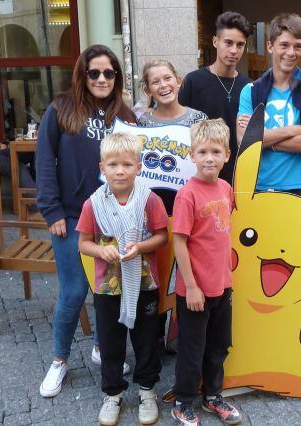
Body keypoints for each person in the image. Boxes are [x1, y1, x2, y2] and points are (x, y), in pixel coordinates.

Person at [36, 44, 137, 399]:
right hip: (74, 217)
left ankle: (101, 347)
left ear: (116, 77)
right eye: (94, 72)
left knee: (106, 290)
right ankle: (59, 359)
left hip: (115, 216)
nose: (101, 79)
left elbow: (138, 165)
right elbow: (45, 160)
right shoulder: (61, 109)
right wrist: (51, 211)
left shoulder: (126, 115)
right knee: (75, 291)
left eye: (108, 73)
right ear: (82, 74)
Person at [236, 12, 301, 370]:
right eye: (285, 44)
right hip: (258, 191)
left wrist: (265, 137)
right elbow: (243, 141)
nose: (291, 52)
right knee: (256, 265)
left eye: (298, 46)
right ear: (271, 45)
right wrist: (291, 130)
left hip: (300, 192)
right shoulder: (251, 90)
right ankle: (264, 335)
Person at [77, 132, 169, 425]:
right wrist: (102, 251)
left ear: (139, 166)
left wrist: (140, 247)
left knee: (146, 340)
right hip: (108, 287)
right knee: (110, 341)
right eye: (113, 164)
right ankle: (112, 394)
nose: (120, 170)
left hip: (144, 284)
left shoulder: (149, 200)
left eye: (127, 164)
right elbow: (84, 243)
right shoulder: (93, 204)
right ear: (102, 167)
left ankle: (147, 391)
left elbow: (162, 236)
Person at [171, 119, 241, 425]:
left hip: (222, 286)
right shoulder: (187, 194)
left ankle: (213, 396)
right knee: (192, 349)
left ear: (226, 154)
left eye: (215, 151)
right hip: (194, 291)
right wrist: (192, 286)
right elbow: (179, 242)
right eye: (202, 151)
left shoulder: (226, 188)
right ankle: (184, 400)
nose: (209, 157)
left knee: (217, 345)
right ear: (192, 155)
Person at [178, 11, 252, 184]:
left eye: (240, 45)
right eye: (228, 43)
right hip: (200, 177)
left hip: (239, 177)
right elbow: (180, 127)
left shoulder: (249, 86)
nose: (234, 50)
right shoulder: (194, 81)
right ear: (215, 42)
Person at [138, 59, 208, 213]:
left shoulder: (199, 119)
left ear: (178, 81)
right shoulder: (143, 124)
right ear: (147, 90)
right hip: (154, 208)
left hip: (193, 204)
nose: (163, 85)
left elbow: (208, 159)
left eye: (167, 78)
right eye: (155, 82)